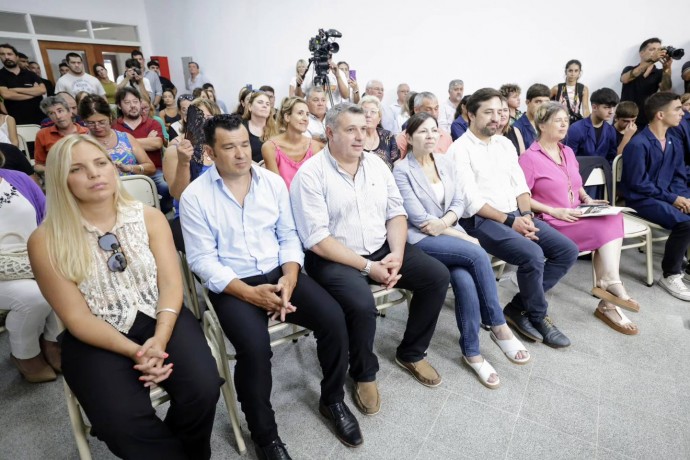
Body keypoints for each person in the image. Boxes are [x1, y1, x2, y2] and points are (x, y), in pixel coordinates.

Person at [180, 114, 363, 458]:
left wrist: (291, 277)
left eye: (243, 145)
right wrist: (249, 294)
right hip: (234, 284)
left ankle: (333, 399)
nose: (240, 154)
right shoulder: (195, 197)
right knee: (254, 349)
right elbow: (202, 260)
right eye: (228, 147)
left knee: (334, 319)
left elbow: (288, 236)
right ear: (209, 152)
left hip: (280, 274)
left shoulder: (272, 183)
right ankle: (265, 436)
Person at [28, 134, 221, 459]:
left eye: (101, 163)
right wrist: (137, 352)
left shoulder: (148, 216)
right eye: (78, 169)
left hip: (161, 315)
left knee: (202, 388)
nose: (94, 173)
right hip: (94, 333)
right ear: (62, 180)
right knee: (120, 420)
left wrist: (158, 341)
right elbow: (76, 318)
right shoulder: (46, 240)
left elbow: (172, 286)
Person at [290, 103, 450, 416]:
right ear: (331, 132)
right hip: (333, 256)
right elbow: (317, 240)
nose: (360, 136)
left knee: (436, 276)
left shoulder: (377, 166)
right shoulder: (310, 175)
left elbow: (396, 213)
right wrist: (369, 268)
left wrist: (397, 255)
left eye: (364, 129)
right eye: (351, 129)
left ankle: (411, 352)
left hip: (381, 248)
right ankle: (364, 372)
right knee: (362, 305)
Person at [394, 113, 530, 389]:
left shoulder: (444, 162)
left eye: (434, 130)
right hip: (420, 239)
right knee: (477, 254)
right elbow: (420, 220)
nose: (431, 136)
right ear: (408, 137)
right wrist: (463, 236)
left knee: (465, 279)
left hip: (449, 232)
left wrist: (448, 225)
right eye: (422, 132)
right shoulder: (401, 170)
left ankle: (472, 352)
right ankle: (497, 324)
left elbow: (458, 200)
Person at [448, 88, 579, 348]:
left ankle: (518, 307)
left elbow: (521, 187)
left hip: (517, 214)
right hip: (482, 221)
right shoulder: (459, 150)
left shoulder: (505, 143)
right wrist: (512, 223)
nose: (496, 118)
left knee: (567, 250)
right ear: (470, 114)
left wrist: (527, 216)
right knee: (532, 255)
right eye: (488, 112)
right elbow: (472, 203)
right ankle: (538, 315)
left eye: (500, 112)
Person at [519, 102, 639, 334]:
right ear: (542, 125)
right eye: (558, 120)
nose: (564, 124)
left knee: (614, 218)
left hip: (576, 214)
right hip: (551, 221)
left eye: (566, 119)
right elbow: (522, 197)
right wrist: (555, 211)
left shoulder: (567, 151)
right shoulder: (529, 158)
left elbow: (576, 183)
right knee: (608, 230)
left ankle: (609, 285)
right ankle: (609, 292)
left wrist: (587, 199)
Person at [621, 92, 690, 300]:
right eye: (677, 109)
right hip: (640, 199)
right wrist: (672, 199)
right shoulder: (638, 144)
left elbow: (678, 177)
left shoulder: (673, 142)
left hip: (663, 196)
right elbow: (638, 184)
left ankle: (681, 262)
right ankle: (670, 274)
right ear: (660, 114)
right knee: (685, 222)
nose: (682, 112)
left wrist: (684, 198)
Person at [0, 154, 60, 383]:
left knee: (65, 276)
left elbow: (48, 217)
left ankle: (52, 341)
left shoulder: (17, 179)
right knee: (35, 297)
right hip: (3, 269)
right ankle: (25, 355)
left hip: (33, 257)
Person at [162, 98, 220, 251]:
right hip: (190, 217)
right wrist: (183, 162)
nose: (205, 122)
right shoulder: (175, 150)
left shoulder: (220, 146)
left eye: (210, 118)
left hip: (221, 213)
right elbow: (178, 194)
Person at [111, 87, 169, 211]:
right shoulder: (115, 127)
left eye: (135, 101)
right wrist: (146, 140)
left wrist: (123, 142)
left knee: (165, 186)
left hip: (152, 171)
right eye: (127, 102)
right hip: (125, 173)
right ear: (119, 106)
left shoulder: (153, 123)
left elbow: (157, 144)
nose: (132, 106)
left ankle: (161, 215)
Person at [79, 94, 155, 176]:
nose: (97, 127)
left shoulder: (126, 138)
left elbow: (151, 168)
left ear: (110, 118)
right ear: (84, 122)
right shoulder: (82, 144)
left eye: (102, 122)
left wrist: (131, 168)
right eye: (90, 123)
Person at [261, 96, 323, 189]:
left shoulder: (314, 146)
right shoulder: (269, 147)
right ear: (287, 117)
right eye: (300, 113)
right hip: (282, 200)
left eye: (307, 114)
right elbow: (276, 188)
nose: (305, 118)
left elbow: (319, 184)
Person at [620, 37, 673, 127]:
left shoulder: (660, 73)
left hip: (646, 119)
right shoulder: (629, 69)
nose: (656, 52)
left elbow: (666, 91)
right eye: (652, 49)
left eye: (659, 50)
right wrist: (652, 60)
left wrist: (667, 69)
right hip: (625, 117)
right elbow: (625, 79)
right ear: (641, 53)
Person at [34, 96, 89, 172]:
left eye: (60, 111)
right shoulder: (42, 134)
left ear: (69, 112)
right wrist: (56, 171)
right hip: (57, 176)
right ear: (49, 117)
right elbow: (38, 165)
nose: (58, 116)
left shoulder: (87, 132)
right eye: (52, 113)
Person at [566, 88, 620, 163]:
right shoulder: (576, 128)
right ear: (594, 107)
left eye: (613, 107)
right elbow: (569, 158)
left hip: (603, 171)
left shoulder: (610, 130)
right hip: (581, 171)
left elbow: (611, 157)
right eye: (607, 107)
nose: (611, 111)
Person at [0, 43, 46, 124]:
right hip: (17, 121)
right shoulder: (0, 75)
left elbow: (42, 90)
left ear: (17, 57)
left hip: (40, 118)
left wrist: (15, 90)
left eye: (9, 54)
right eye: (2, 54)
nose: (6, 57)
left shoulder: (30, 74)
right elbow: (7, 95)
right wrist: (34, 93)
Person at [396, 92, 452, 156]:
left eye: (436, 109)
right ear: (416, 110)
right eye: (428, 109)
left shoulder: (446, 137)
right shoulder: (404, 138)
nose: (434, 113)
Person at [358, 95, 399, 169]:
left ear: (379, 118)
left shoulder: (388, 136)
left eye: (373, 112)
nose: (368, 115)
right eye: (364, 111)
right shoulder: (353, 137)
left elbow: (397, 164)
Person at [513, 84, 551, 152]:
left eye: (547, 102)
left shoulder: (550, 124)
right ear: (527, 102)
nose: (543, 106)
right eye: (538, 102)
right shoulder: (517, 127)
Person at [242, 91, 277, 163]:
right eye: (260, 102)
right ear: (250, 107)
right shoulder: (241, 128)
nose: (264, 106)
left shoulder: (277, 129)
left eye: (268, 104)